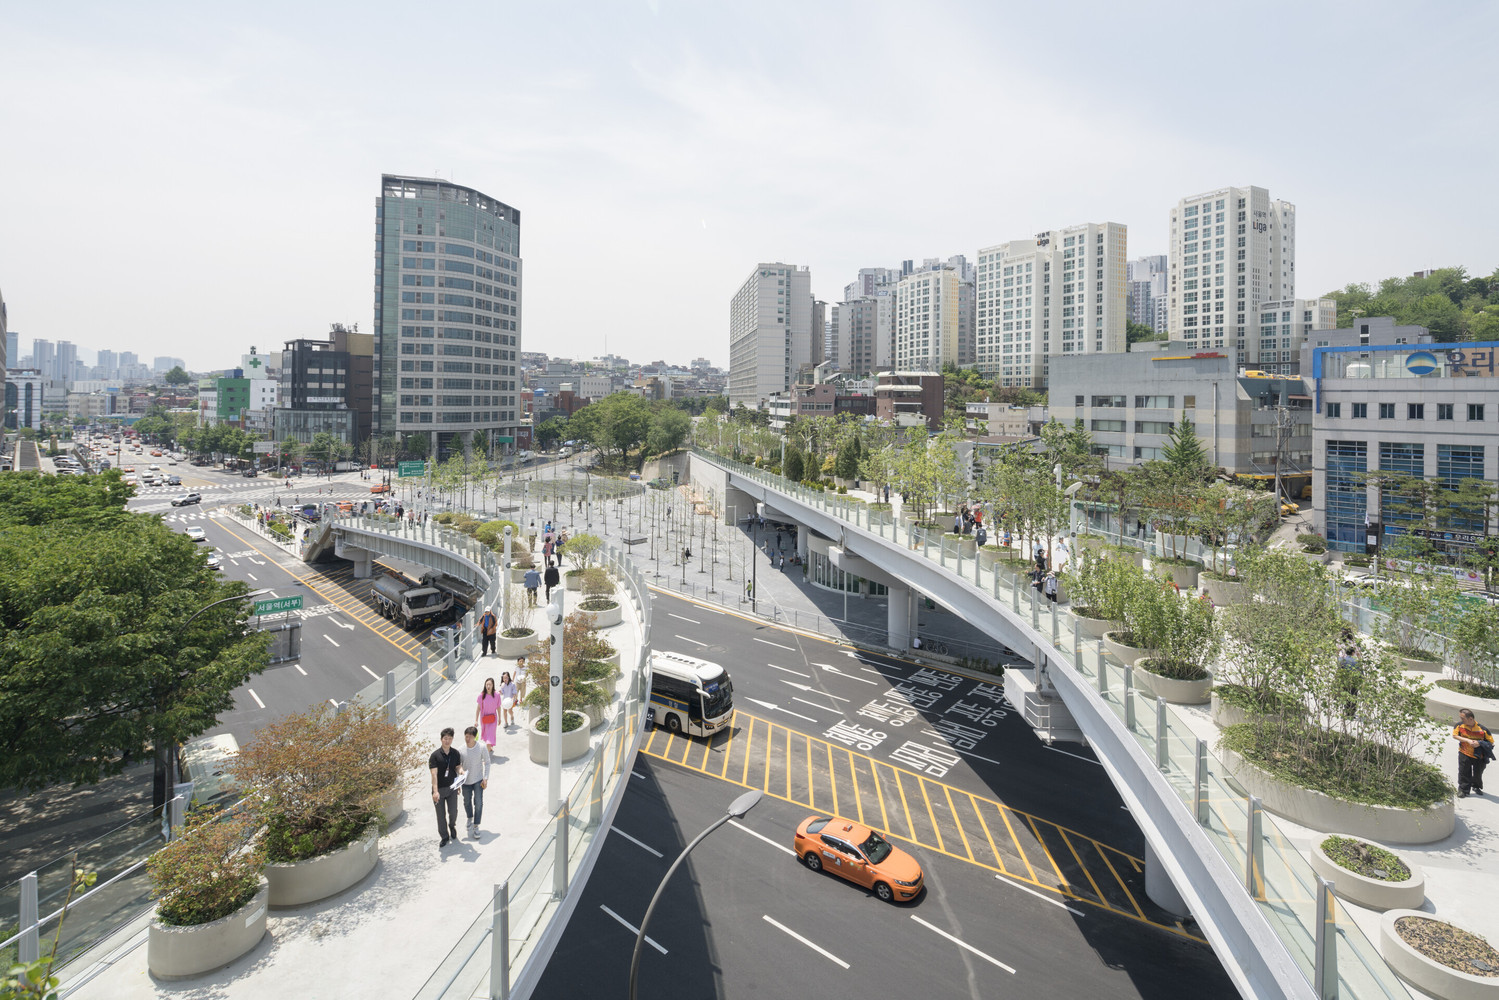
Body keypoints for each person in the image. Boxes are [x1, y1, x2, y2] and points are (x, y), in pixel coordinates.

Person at [429, 728, 464, 848]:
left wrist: (461, 771)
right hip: (439, 789)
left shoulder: (455, 753)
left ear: (452, 739)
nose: (447, 741)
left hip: (452, 788)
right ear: (441, 739)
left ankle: (452, 826)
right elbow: (434, 774)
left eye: (449, 738)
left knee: (453, 811)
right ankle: (444, 836)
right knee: (440, 815)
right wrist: (435, 792)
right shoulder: (435, 756)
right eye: (445, 738)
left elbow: (457, 766)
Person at [458, 726, 491, 841]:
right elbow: (458, 766)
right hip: (466, 782)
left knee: (479, 803)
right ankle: (469, 817)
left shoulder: (481, 747)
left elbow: (487, 762)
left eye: (470, 737)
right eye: (466, 736)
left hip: (478, 780)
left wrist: (485, 778)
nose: (468, 739)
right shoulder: (461, 750)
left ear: (475, 737)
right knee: (466, 802)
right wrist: (459, 780)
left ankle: (476, 825)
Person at [1454, 708, 1493, 798]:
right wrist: (1467, 740)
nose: (1461, 719)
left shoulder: (1483, 729)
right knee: (1463, 772)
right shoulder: (1459, 725)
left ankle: (1476, 786)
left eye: (1463, 718)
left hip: (1479, 756)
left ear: (1471, 718)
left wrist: (1479, 743)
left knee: (1478, 773)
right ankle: (1463, 789)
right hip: (1464, 752)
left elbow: (1491, 743)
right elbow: (1455, 735)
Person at [475, 676, 502, 748]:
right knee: (487, 735)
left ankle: (488, 751)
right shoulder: (481, 695)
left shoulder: (497, 695)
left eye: (490, 684)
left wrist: (500, 718)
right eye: (487, 684)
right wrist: (476, 720)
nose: (488, 686)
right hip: (484, 719)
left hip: (493, 718)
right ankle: (489, 747)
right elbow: (478, 708)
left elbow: (498, 707)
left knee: (490, 735)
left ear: (493, 685)